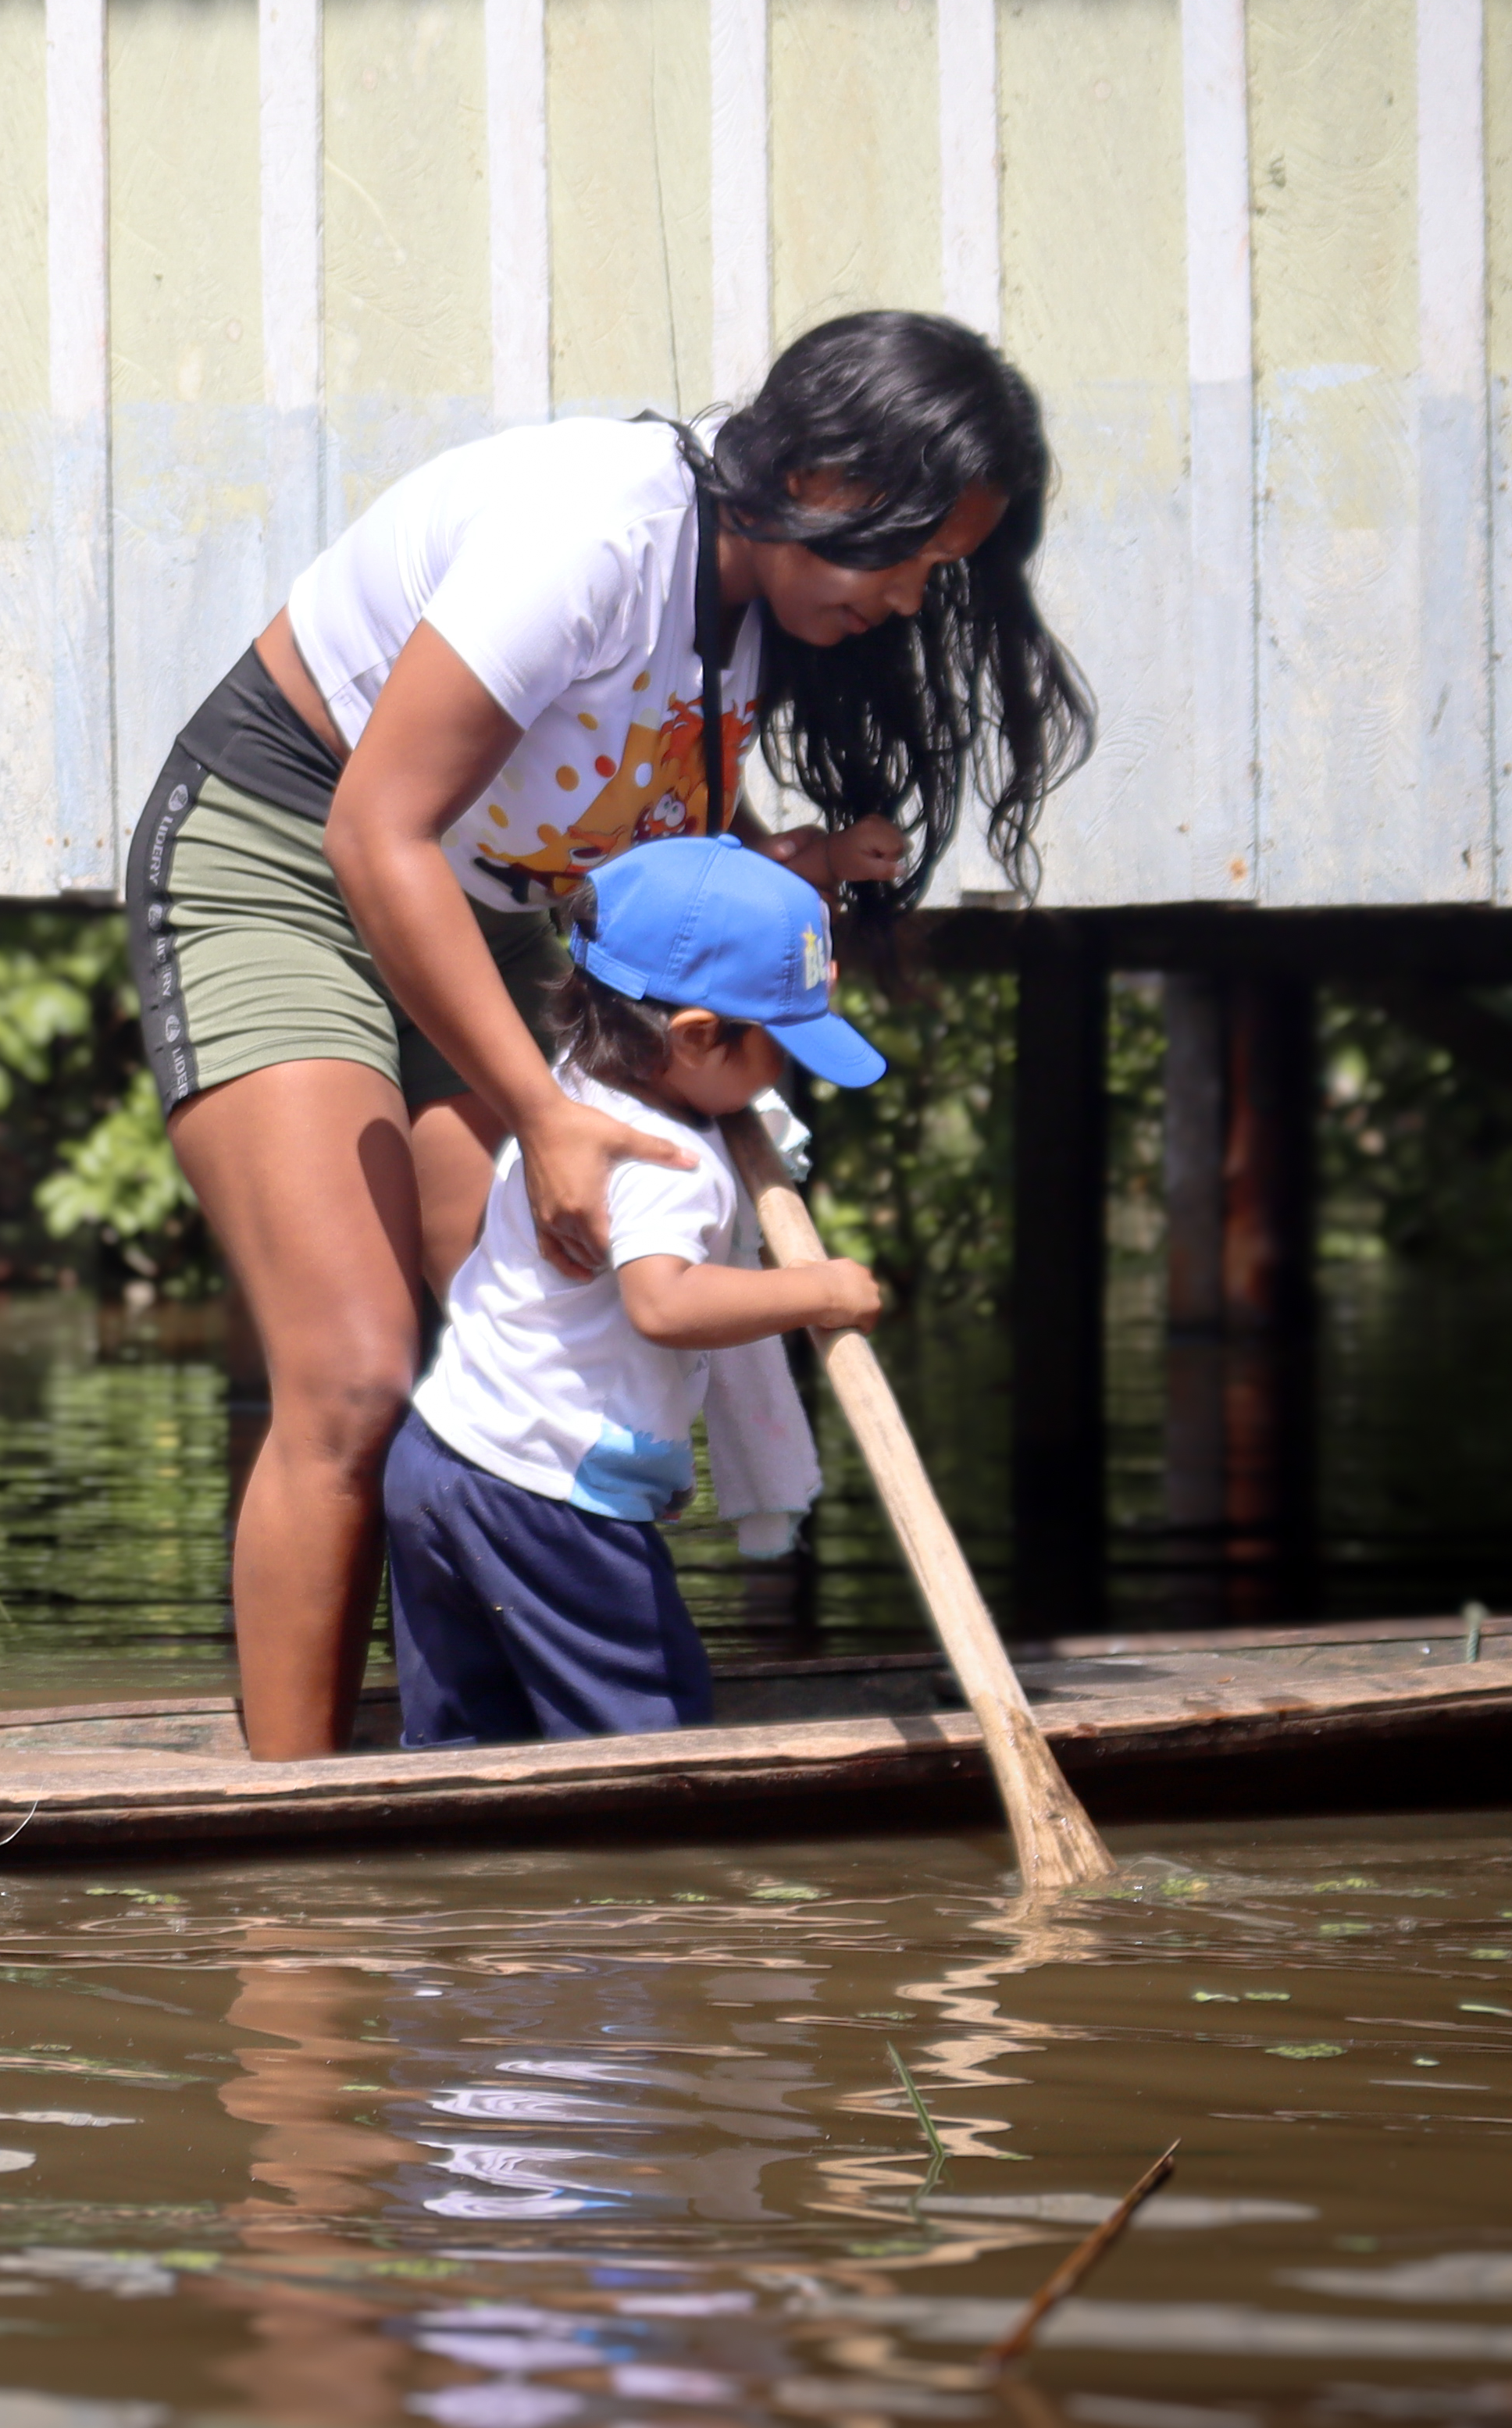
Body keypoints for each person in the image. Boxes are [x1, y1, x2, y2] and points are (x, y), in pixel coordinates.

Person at [132, 309, 1089, 1757]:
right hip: (294, 851)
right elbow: (374, 831)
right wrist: (545, 1110)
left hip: (490, 899)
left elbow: (629, 807)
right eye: (907, 558)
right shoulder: (599, 536)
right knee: (355, 1370)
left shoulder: (757, 608)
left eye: (939, 576)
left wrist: (795, 864)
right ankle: (291, 1845)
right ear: (826, 478)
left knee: (532, 1335)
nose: (908, 603)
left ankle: (486, 1748)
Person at [384, 837, 871, 1748]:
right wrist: (819, 1291)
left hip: (439, 1457)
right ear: (691, 1038)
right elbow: (665, 1304)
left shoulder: (572, 1089)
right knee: (650, 1734)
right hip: (547, 1496)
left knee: (463, 1747)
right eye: (777, 1046)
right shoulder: (672, 1161)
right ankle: (656, 1884)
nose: (786, 1073)